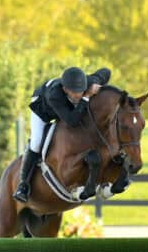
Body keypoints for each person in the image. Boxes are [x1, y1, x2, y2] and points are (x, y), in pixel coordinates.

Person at [13, 66, 111, 202]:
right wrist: (86, 96)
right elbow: (72, 121)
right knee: (36, 142)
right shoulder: (55, 95)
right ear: (65, 90)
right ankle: (23, 185)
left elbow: (106, 72)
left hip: (65, 110)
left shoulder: (85, 83)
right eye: (74, 92)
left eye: (81, 91)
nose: (78, 95)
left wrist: (96, 82)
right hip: (42, 110)